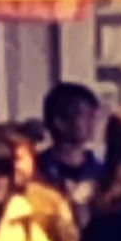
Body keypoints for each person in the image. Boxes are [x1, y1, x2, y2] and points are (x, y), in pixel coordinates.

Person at [38, 83, 104, 223]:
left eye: (93, 116)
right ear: (59, 122)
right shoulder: (37, 171)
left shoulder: (101, 173)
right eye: (85, 116)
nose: (92, 123)